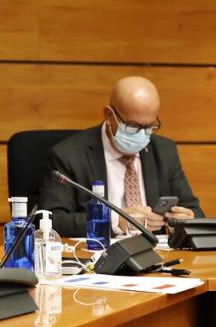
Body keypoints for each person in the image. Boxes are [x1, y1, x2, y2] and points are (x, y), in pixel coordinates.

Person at [39, 76, 203, 237]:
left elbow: (196, 212)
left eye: (149, 127)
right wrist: (115, 220)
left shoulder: (165, 151)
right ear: (109, 116)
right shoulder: (69, 155)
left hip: (158, 256)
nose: (142, 135)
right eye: (133, 126)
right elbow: (54, 220)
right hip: (98, 256)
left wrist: (188, 220)